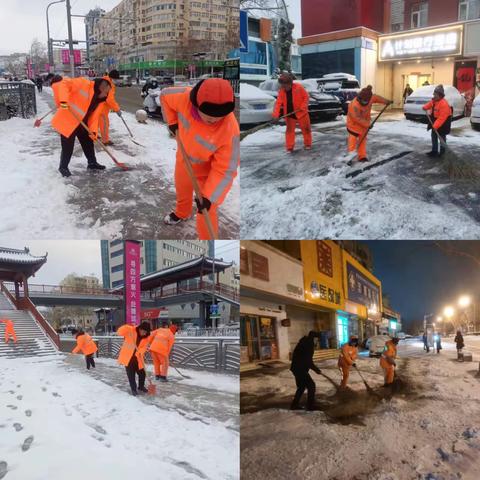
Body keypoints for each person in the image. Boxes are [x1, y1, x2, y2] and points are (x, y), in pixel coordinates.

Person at [160, 78, 239, 239]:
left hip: (207, 168)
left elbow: (226, 170)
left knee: (206, 210)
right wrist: (172, 122)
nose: (214, 120)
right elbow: (164, 96)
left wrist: (210, 198)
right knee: (182, 189)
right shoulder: (184, 97)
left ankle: (208, 243)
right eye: (209, 117)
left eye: (219, 117)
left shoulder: (230, 130)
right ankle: (182, 213)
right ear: (196, 104)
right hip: (184, 157)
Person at [51, 76, 112, 177]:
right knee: (68, 146)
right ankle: (63, 167)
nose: (106, 95)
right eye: (105, 92)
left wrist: (93, 131)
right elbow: (64, 84)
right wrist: (63, 100)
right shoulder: (83, 83)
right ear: (100, 88)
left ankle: (92, 163)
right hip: (69, 120)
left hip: (83, 123)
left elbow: (94, 117)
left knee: (88, 142)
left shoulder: (99, 100)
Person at [346, 85, 392, 163]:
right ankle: (350, 157)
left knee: (362, 140)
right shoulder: (354, 105)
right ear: (360, 98)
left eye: (366, 101)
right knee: (352, 141)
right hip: (353, 125)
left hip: (364, 125)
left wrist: (386, 101)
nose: (365, 102)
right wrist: (367, 124)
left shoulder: (371, 98)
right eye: (363, 101)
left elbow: (377, 98)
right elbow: (357, 118)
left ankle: (362, 156)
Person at [272, 72, 311, 153]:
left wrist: (303, 107)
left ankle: (308, 144)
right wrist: (275, 115)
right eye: (282, 85)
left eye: (284, 85)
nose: (283, 87)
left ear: (290, 83)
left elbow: (306, 97)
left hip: (301, 112)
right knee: (289, 131)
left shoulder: (299, 87)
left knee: (306, 129)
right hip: (289, 113)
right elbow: (278, 103)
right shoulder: (282, 91)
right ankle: (289, 147)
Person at [117, 322, 151, 396]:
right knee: (131, 375)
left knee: (142, 374)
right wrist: (126, 327)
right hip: (128, 358)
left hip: (138, 359)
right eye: (143, 331)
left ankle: (141, 387)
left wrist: (140, 352)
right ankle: (134, 389)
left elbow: (144, 347)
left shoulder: (147, 337)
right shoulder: (131, 331)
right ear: (140, 329)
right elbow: (119, 332)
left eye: (146, 332)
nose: (144, 333)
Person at [290, 331, 321, 411]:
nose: (317, 342)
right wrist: (316, 369)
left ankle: (294, 405)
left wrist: (314, 368)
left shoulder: (305, 342)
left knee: (301, 387)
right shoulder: (308, 345)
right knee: (311, 385)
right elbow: (308, 361)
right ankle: (310, 406)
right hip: (300, 369)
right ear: (314, 338)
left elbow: (306, 359)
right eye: (317, 339)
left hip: (296, 368)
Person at [422, 84, 452, 158]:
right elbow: (430, 104)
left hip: (444, 122)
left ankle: (442, 152)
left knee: (441, 136)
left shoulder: (444, 104)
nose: (434, 95)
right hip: (436, 120)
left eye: (435, 94)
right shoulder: (435, 101)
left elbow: (442, 118)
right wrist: (425, 107)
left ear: (440, 95)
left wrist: (435, 126)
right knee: (434, 135)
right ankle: (434, 151)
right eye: (434, 93)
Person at [98, 69, 122, 146]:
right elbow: (109, 99)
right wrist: (117, 109)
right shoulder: (108, 84)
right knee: (104, 124)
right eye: (116, 79)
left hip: (98, 105)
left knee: (96, 122)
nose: (117, 80)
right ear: (112, 78)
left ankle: (93, 135)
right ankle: (105, 140)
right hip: (102, 107)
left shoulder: (104, 81)